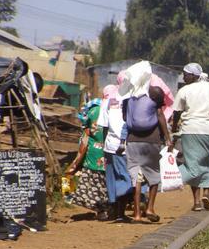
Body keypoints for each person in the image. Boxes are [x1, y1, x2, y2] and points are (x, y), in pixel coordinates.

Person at [170, 63, 209, 212]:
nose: (184, 77)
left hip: (191, 130)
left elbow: (176, 112)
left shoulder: (184, 90)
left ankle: (193, 198)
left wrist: (174, 128)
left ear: (193, 75)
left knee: (192, 165)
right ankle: (206, 194)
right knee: (206, 163)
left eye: (186, 74)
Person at [123, 82, 171, 223]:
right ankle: (150, 208)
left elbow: (125, 118)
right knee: (154, 174)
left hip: (133, 141)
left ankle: (137, 214)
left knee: (136, 178)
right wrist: (168, 139)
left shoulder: (130, 97)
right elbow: (160, 116)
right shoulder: (154, 95)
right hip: (152, 141)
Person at [66, 99, 110, 221]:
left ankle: (100, 210)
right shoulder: (112, 111)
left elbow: (84, 143)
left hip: (93, 156)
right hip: (109, 153)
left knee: (91, 185)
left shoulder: (92, 112)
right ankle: (110, 210)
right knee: (106, 184)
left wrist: (76, 163)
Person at [97, 84, 133, 222]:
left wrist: (105, 146)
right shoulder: (132, 100)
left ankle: (112, 209)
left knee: (111, 178)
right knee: (124, 178)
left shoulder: (108, 101)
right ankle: (120, 213)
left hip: (110, 145)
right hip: (124, 145)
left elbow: (104, 127)